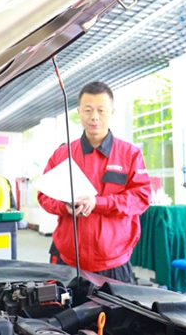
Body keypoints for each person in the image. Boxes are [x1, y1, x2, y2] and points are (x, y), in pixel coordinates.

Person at [37, 81, 150, 283]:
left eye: (101, 110)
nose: (94, 116)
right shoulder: (62, 155)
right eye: (88, 110)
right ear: (79, 112)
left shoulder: (130, 154)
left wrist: (98, 203)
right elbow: (44, 196)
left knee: (115, 305)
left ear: (112, 112)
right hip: (69, 260)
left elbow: (140, 198)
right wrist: (65, 207)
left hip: (113, 261)